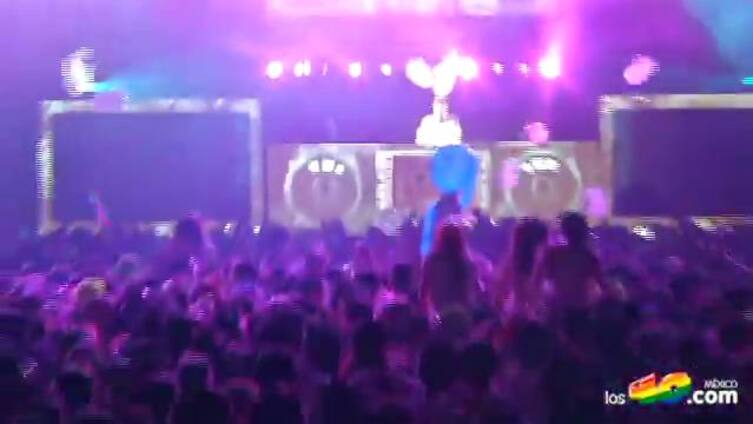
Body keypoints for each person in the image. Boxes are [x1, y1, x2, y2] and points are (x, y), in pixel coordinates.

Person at [533, 212, 605, 311]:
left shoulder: (553, 254)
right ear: (584, 232)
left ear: (564, 231)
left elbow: (537, 281)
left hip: (558, 308)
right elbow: (603, 285)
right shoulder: (588, 257)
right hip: (579, 309)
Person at [421, 223, 477, 319]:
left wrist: (425, 312)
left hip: (440, 313)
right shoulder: (467, 263)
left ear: (440, 239)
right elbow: (473, 291)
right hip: (463, 315)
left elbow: (424, 289)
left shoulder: (432, 261)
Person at [497, 218, 549, 317]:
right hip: (524, 316)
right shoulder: (539, 266)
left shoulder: (511, 263)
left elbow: (499, 295)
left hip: (513, 314)